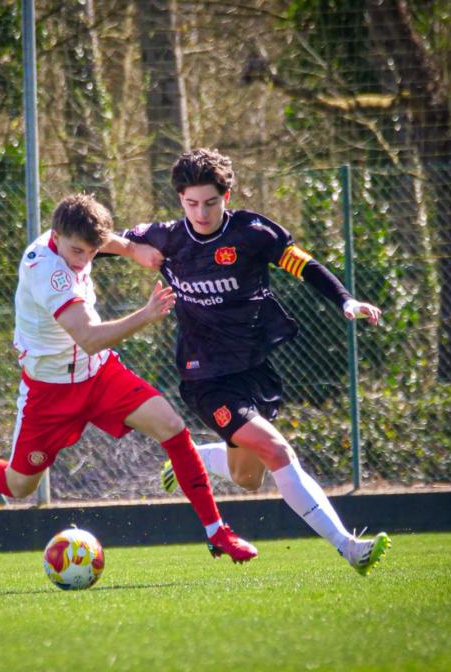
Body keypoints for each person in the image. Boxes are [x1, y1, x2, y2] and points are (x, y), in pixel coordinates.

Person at [0, 193, 258, 563]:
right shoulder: (48, 272)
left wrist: (132, 249)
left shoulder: (78, 240)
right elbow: (88, 338)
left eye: (91, 252)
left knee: (172, 427)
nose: (83, 260)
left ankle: (217, 532)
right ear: (55, 236)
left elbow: (104, 242)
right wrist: (146, 315)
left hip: (99, 374)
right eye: (77, 251)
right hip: (50, 391)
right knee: (18, 484)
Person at [122, 148, 390, 575]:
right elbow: (92, 239)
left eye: (211, 202)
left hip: (252, 369)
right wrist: (126, 249)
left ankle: (191, 457)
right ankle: (349, 546)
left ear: (227, 196)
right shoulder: (166, 237)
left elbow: (304, 264)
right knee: (276, 450)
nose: (201, 213)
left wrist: (346, 300)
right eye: (191, 203)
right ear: (180, 200)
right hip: (206, 379)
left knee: (248, 477)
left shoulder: (251, 232)